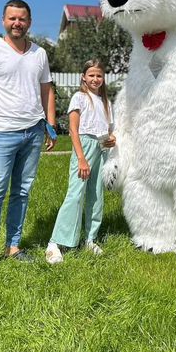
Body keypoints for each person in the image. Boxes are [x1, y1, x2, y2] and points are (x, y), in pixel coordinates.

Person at [0, 0, 56, 279]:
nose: (17, 23)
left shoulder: (39, 53)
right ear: (4, 20)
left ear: (29, 22)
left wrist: (50, 125)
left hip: (32, 132)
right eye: (12, 18)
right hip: (2, 133)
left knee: (22, 193)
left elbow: (47, 90)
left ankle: (13, 247)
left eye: (22, 19)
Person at [45, 59, 116, 264]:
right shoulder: (79, 97)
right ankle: (55, 242)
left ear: (103, 78)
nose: (95, 79)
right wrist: (81, 159)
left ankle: (90, 239)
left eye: (99, 75)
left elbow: (109, 130)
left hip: (101, 147)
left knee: (96, 195)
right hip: (83, 147)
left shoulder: (106, 103)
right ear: (83, 77)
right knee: (75, 195)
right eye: (91, 75)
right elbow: (73, 130)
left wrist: (110, 140)